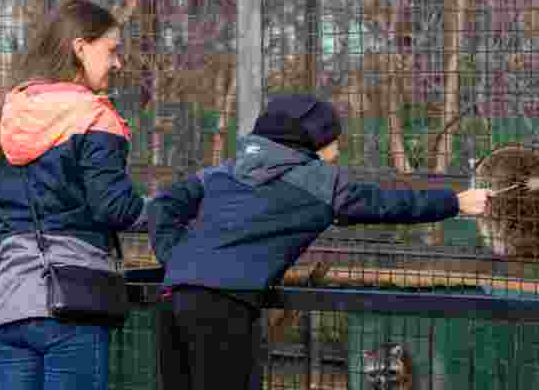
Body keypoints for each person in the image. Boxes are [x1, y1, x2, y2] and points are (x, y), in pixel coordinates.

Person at [148, 93, 491, 390]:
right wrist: (456, 202)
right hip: (223, 308)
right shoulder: (318, 181)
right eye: (334, 139)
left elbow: (164, 205)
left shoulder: (225, 170)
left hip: (173, 297)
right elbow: (386, 203)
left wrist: (175, 260)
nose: (338, 148)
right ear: (312, 140)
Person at [0, 0, 150, 390]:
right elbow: (114, 207)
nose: (117, 63)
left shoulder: (10, 113)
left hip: (10, 306)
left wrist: (22, 242)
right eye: (112, 50)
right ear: (80, 48)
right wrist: (169, 211)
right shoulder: (96, 118)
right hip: (73, 305)